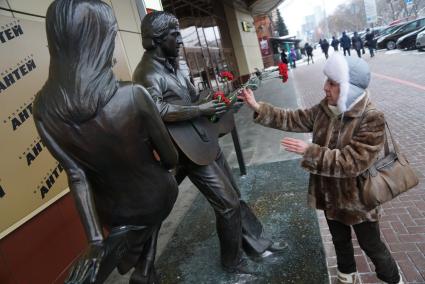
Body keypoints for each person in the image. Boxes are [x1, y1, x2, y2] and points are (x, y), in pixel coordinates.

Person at [33, 1, 179, 283]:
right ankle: (145, 266)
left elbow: (76, 176)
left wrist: (96, 240)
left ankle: (145, 265)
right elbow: (171, 159)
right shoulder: (134, 95)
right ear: (100, 41)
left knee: (146, 217)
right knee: (162, 193)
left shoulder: (42, 109)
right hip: (155, 196)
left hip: (109, 213)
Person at [133, 11, 282, 274]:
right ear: (156, 39)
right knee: (227, 204)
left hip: (201, 140)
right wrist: (200, 110)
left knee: (233, 197)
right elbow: (157, 110)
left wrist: (226, 99)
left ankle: (258, 243)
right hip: (187, 152)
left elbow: (194, 97)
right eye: (174, 35)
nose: (180, 40)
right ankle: (232, 262)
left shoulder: (173, 66)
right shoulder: (146, 73)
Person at [239, 53, 403, 284]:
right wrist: (259, 107)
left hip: (359, 198)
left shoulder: (371, 117)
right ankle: (347, 277)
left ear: (349, 88)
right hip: (329, 195)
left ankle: (394, 279)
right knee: (340, 241)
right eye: (327, 81)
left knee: (372, 245)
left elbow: (353, 161)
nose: (325, 87)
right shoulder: (326, 108)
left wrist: (310, 151)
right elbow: (296, 118)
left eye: (333, 83)